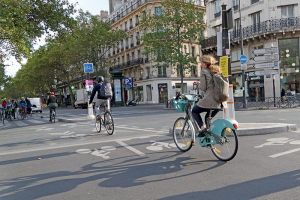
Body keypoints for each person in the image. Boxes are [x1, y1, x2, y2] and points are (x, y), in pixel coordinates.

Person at [192, 55, 227, 137]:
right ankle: (212, 136)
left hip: (210, 100)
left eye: (201, 63)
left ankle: (202, 128)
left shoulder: (203, 71)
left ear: (204, 64)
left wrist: (199, 84)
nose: (200, 65)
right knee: (208, 117)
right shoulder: (215, 71)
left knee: (194, 111)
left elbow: (203, 87)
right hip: (220, 102)